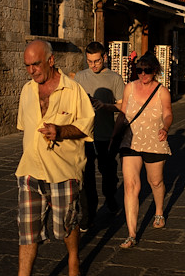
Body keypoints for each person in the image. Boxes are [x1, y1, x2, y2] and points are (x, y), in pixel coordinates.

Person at [15, 39, 94, 276]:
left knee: (66, 225)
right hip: (30, 171)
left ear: (50, 60)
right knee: (27, 232)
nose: (32, 71)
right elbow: (25, 127)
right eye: (27, 66)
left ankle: (73, 259)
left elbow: (86, 126)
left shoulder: (73, 90)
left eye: (36, 64)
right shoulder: (27, 91)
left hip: (63, 171)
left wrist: (60, 130)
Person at [116, 52, 173, 249]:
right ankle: (131, 234)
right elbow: (123, 114)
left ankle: (158, 211)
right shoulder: (129, 88)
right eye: (139, 70)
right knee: (131, 186)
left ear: (155, 70)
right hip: (130, 142)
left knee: (155, 181)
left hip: (154, 141)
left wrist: (165, 128)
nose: (143, 74)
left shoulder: (162, 91)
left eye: (147, 70)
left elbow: (167, 113)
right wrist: (115, 136)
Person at [74, 42, 125, 231]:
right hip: (85, 135)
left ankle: (110, 196)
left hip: (106, 135)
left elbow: (122, 106)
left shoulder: (115, 78)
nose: (93, 65)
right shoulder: (80, 77)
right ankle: (88, 215)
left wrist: (105, 106)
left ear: (104, 57)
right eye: (89, 61)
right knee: (86, 178)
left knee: (108, 173)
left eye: (96, 61)